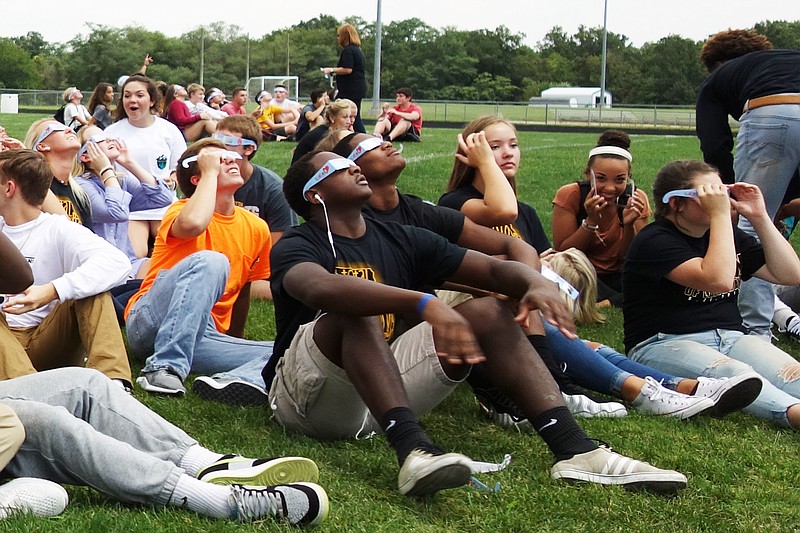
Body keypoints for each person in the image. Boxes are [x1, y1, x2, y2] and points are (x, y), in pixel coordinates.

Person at [263, 149, 690, 497]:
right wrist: (427, 303)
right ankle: (414, 451)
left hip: (382, 390)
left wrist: (533, 283)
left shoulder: (404, 237)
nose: (354, 167)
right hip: (308, 399)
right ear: (315, 194)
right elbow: (318, 288)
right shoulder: (299, 243)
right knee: (356, 312)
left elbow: (494, 268)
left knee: (487, 309)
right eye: (338, 167)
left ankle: (576, 450)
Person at [339, 132, 759, 424]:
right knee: (521, 309)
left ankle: (671, 386)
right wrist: (579, 234)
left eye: (512, 144)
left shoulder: (416, 211)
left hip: (501, 306)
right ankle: (625, 391)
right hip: (420, 340)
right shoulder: (433, 208)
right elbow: (499, 228)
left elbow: (520, 249)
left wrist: (528, 280)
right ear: (347, 172)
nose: (508, 153)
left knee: (576, 336)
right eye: (494, 146)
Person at [624, 160, 800, 429]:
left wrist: (760, 217)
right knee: (736, 376)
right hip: (661, 343)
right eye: (709, 194)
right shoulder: (654, 240)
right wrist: (720, 217)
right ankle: (793, 413)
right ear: (677, 203)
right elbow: (717, 280)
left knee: (792, 374)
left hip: (730, 337)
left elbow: (789, 274)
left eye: (723, 192)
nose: (722, 200)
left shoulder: (728, 236)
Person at [124, 139, 274, 397]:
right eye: (217, 160)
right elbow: (194, 223)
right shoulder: (179, 210)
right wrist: (210, 173)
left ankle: (234, 380)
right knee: (213, 261)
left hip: (201, 334)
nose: (229, 161)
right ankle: (163, 369)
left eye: (229, 157)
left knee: (290, 349)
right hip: (150, 322)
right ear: (197, 179)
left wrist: (236, 338)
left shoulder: (256, 227)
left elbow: (244, 289)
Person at [695, 29, 800, 340]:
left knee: (754, 225)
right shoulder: (788, 59)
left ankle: (755, 332)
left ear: (718, 64)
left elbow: (714, 144)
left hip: (771, 112)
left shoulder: (720, 75)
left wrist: (731, 194)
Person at [0, 149, 133, 390]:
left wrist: (53, 290)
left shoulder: (56, 228)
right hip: (4, 341)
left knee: (93, 291)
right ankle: (34, 397)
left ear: (9, 189)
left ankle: (113, 386)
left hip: (48, 340)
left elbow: (118, 262)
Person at [551, 130, 650, 306]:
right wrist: (591, 222)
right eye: (601, 179)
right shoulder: (571, 194)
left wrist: (629, 226)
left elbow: (632, 259)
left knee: (651, 279)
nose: (610, 188)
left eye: (619, 180)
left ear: (628, 178)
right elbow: (563, 252)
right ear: (588, 174)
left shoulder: (635, 200)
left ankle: (606, 302)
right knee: (562, 276)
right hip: (580, 272)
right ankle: (612, 300)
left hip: (619, 276)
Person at [206, 115, 298, 302]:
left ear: (248, 149)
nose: (217, 149)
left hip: (255, 264)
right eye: (215, 140)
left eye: (226, 142)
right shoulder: (206, 180)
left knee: (276, 288)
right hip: (211, 258)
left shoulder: (272, 188)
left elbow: (278, 243)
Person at [73, 125, 174, 279]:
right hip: (100, 269)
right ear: (85, 156)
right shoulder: (82, 185)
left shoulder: (121, 181)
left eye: (107, 135)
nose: (109, 139)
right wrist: (106, 169)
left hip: (128, 262)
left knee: (169, 268)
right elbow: (116, 213)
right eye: (99, 139)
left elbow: (163, 198)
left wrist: (129, 163)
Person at [105, 75, 185, 259]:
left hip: (163, 204)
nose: (132, 100)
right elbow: (104, 170)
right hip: (131, 207)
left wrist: (172, 182)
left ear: (152, 100)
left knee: (171, 251)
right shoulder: (111, 132)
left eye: (139, 95)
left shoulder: (169, 130)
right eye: (127, 95)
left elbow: (178, 169)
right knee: (136, 254)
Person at [24, 119, 93, 229]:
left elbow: (88, 239)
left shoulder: (80, 194)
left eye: (66, 126)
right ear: (41, 146)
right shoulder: (30, 187)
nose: (69, 130)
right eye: (57, 129)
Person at [322, 24, 367, 133]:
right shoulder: (357, 50)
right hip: (357, 87)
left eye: (339, 35)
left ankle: (361, 137)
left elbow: (348, 69)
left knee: (346, 113)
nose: (337, 38)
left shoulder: (348, 51)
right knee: (354, 115)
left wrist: (331, 70)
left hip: (350, 89)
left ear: (344, 36)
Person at [291, 99, 355, 165]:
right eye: (345, 117)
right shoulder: (322, 135)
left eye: (349, 117)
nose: (349, 121)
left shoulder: (330, 131)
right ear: (332, 118)